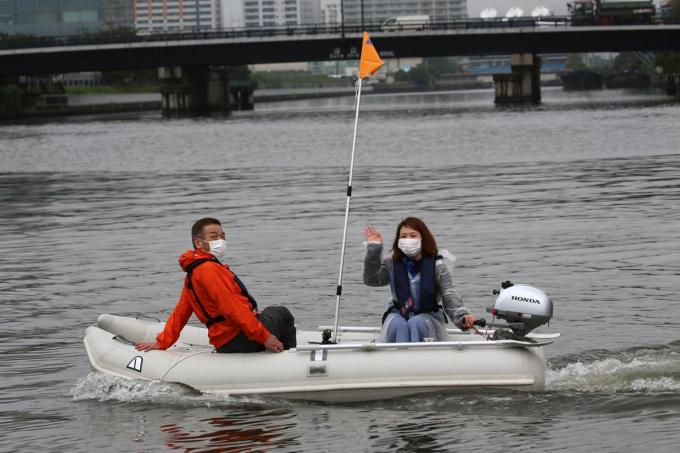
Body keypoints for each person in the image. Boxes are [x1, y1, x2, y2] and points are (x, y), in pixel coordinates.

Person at [135, 217, 296, 353]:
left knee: (266, 314)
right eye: (214, 237)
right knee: (281, 313)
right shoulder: (208, 269)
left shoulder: (195, 271)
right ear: (198, 243)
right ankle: (288, 357)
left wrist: (162, 342)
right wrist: (264, 337)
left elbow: (182, 311)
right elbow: (233, 309)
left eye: (222, 236)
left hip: (224, 342)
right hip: (240, 338)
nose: (221, 241)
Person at [362, 217, 477, 343]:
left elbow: (448, 294)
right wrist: (374, 249)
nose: (408, 240)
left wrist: (462, 316)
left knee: (417, 322)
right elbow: (371, 279)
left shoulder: (437, 265)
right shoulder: (391, 263)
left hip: (428, 317)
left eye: (413, 235)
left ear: (423, 238)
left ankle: (421, 357)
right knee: (397, 324)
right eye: (403, 236)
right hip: (400, 312)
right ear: (398, 240)